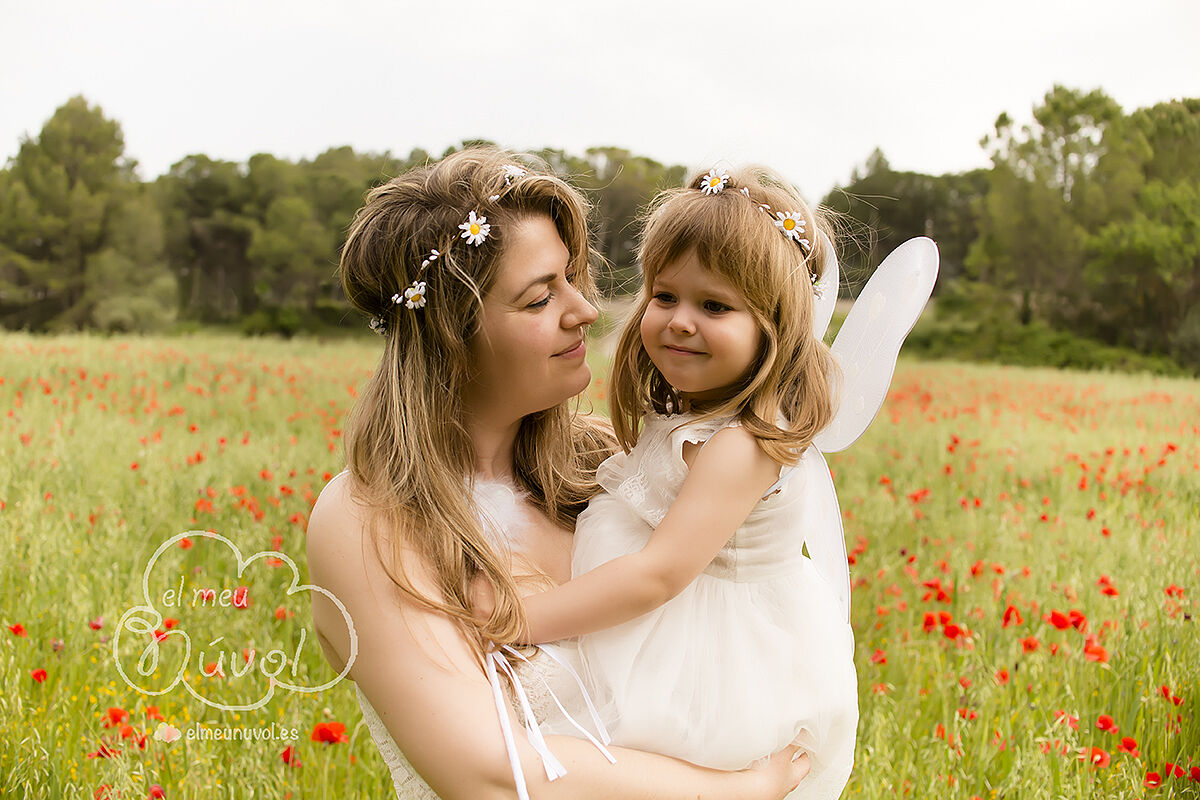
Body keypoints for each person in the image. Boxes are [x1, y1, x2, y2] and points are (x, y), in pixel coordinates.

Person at [305, 148, 812, 800]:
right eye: (541, 297)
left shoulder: (610, 465)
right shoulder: (369, 520)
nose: (586, 311)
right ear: (451, 338)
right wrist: (736, 791)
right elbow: (488, 773)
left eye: (574, 279)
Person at [506, 165, 859, 799]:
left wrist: (521, 619)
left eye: (714, 306)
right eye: (665, 295)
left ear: (774, 326)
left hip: (713, 662)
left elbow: (657, 574)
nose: (679, 320)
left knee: (648, 764)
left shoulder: (740, 445)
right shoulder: (700, 416)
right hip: (665, 628)